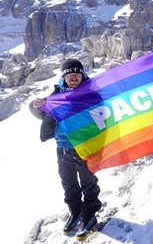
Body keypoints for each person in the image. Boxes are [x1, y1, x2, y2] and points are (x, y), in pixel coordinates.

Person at [29, 59, 102, 240]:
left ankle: (90, 215)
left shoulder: (91, 93)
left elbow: (103, 115)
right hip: (62, 148)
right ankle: (75, 211)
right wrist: (35, 106)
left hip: (85, 147)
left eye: (77, 74)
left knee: (88, 182)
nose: (74, 77)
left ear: (82, 75)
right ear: (64, 76)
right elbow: (44, 114)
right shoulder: (57, 94)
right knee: (68, 183)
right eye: (70, 74)